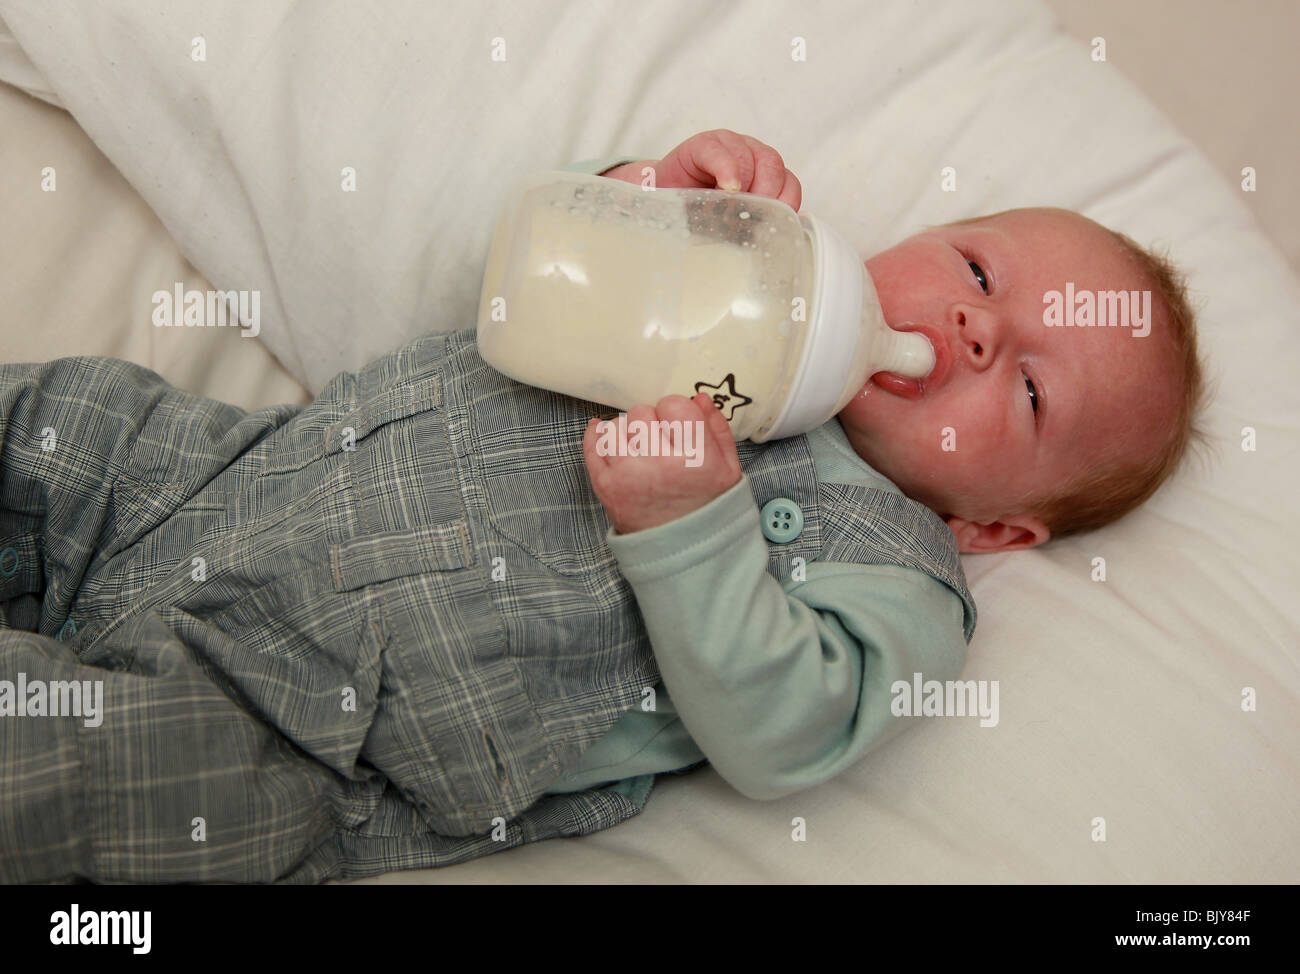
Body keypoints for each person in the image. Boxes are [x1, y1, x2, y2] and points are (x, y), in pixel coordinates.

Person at [0, 130, 1205, 883]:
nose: (977, 327)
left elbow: (791, 728)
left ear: (993, 529)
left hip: (310, 706)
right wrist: (651, 196)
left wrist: (692, 529)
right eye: (978, 272)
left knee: (85, 779)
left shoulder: (899, 566)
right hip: (230, 469)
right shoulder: (751, 279)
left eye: (1032, 389)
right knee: (67, 420)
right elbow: (537, 268)